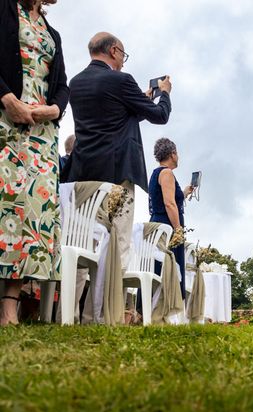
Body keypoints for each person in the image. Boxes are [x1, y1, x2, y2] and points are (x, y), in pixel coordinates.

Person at [65, 32, 172, 268]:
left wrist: (137, 101)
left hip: (83, 174)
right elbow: (160, 115)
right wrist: (164, 93)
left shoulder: (75, 83)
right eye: (123, 54)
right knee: (119, 242)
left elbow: (110, 119)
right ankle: (111, 305)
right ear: (114, 50)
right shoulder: (121, 80)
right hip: (117, 174)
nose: (123, 61)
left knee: (81, 245)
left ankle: (70, 305)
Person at [0, 0, 69, 325]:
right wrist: (7, 98)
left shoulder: (51, 31)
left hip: (42, 134)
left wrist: (54, 109)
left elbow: (62, 85)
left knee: (27, 215)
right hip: (5, 120)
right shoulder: (3, 9)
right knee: (4, 208)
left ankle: (10, 305)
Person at [148, 138, 193, 299]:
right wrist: (178, 228)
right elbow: (169, 204)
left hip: (158, 223)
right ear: (172, 154)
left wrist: (185, 193)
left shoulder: (156, 173)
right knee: (169, 266)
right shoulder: (166, 173)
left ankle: (152, 305)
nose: (178, 157)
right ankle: (167, 306)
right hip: (167, 226)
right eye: (177, 153)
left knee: (158, 266)